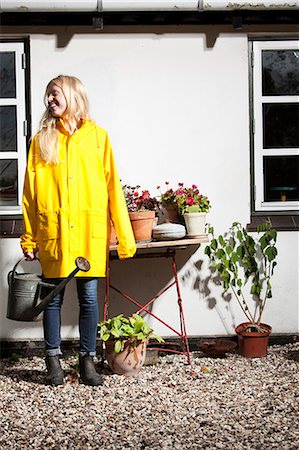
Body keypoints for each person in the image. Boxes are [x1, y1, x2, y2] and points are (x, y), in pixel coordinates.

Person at [20, 75, 136, 386]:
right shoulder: (41, 140)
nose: (49, 100)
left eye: (54, 94)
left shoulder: (98, 138)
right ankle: (53, 361)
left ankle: (87, 360)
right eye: (47, 96)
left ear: (73, 95)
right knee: (52, 300)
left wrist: (125, 237)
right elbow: (30, 194)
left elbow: (114, 188)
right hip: (55, 232)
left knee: (88, 298)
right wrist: (29, 236)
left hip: (88, 232)